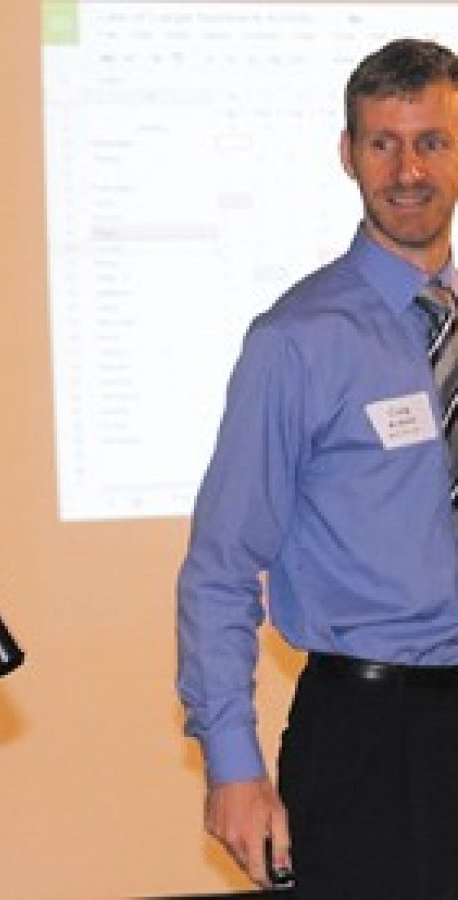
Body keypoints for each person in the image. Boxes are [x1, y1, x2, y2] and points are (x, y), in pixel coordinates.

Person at [177, 38, 458, 899]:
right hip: (369, 737)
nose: (408, 169)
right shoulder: (295, 341)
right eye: (383, 142)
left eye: (432, 141)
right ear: (348, 154)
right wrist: (234, 765)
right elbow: (220, 569)